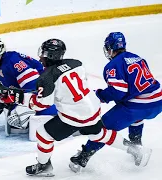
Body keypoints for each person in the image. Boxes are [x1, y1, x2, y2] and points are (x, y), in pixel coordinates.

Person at [0, 38, 152, 177]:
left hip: (75, 116)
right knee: (100, 134)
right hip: (92, 109)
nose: (40, 57)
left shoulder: (46, 78)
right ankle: (136, 150)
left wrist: (17, 97)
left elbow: (42, 104)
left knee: (43, 134)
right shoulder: (75, 63)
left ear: (50, 56)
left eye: (43, 54)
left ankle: (44, 166)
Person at [69, 32, 162, 172]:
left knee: (102, 128)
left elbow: (118, 91)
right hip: (158, 101)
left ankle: (82, 158)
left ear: (110, 48)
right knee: (134, 112)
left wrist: (98, 95)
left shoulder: (113, 65)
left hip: (139, 106)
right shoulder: (137, 57)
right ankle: (137, 143)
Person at [0, 35, 57, 138]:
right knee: (1, 99)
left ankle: (42, 113)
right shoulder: (0, 65)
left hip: (43, 94)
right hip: (29, 92)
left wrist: (18, 98)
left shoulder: (12, 60)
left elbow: (33, 85)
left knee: (15, 118)